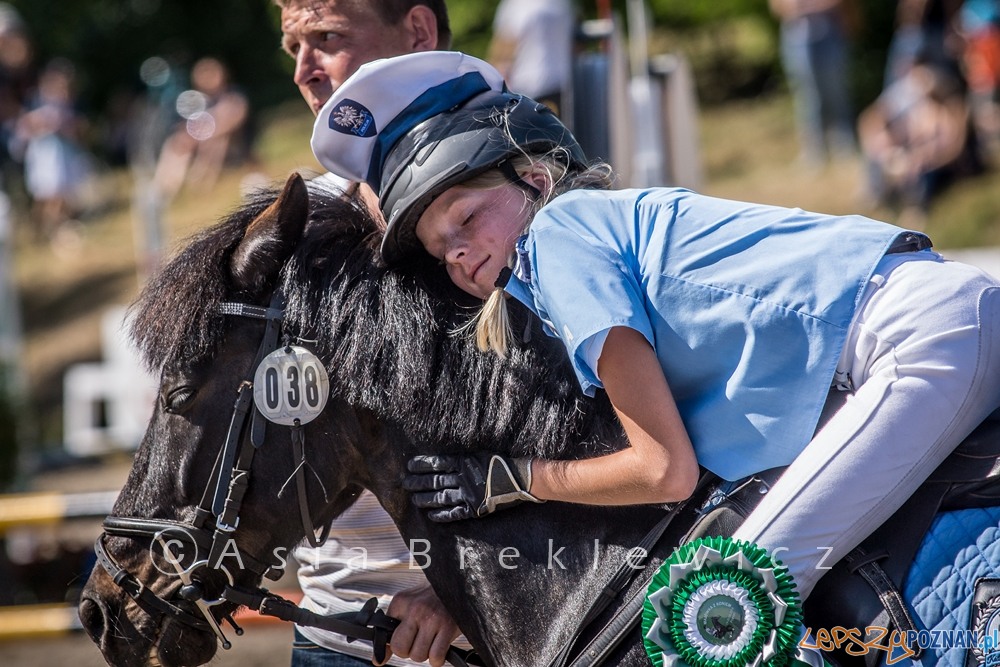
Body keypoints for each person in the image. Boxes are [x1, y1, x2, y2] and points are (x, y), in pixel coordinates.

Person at [311, 52, 1000, 609]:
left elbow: (663, 469)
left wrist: (512, 480)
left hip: (914, 338)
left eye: (465, 218)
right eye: (442, 251)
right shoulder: (589, 235)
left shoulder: (557, 237)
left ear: (535, 179)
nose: (460, 252)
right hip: (931, 323)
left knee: (724, 606)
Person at [275, 2, 462, 666]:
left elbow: (597, 436)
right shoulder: (294, 222)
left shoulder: (518, 197)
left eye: (327, 38)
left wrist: (460, 594)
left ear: (418, 32)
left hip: (494, 637)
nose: (304, 69)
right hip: (330, 633)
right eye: (293, 46)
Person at [858, 58, 974, 223]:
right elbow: (914, 139)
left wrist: (925, 157)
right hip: (922, 158)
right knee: (892, 162)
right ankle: (886, 201)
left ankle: (916, 208)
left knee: (919, 169)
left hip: (941, 164)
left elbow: (953, 148)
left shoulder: (951, 113)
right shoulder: (923, 111)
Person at [769, 0, 857, 164]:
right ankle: (813, 151)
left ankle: (843, 146)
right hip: (796, 37)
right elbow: (777, 6)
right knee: (807, 97)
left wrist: (815, 6)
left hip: (830, 33)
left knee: (836, 91)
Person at [152, 57, 248, 200]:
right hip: (200, 144)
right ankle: (164, 186)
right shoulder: (199, 100)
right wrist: (188, 137)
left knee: (217, 142)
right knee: (176, 141)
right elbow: (189, 125)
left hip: (232, 146)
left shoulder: (233, 96)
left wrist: (204, 135)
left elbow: (234, 121)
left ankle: (200, 184)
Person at [487, 0, 575, 117]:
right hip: (563, 83)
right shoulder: (563, 3)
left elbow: (503, 52)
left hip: (528, 86)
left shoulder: (517, 5)